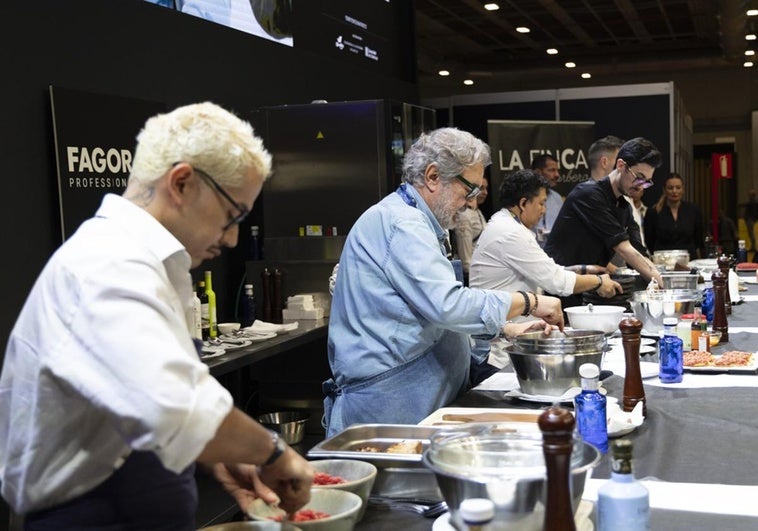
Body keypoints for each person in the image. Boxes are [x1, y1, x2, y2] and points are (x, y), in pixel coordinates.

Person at [0, 102, 314, 529]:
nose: (235, 236)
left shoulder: (154, 265)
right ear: (182, 183)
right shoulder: (108, 265)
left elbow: (132, 410)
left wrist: (212, 452)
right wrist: (274, 452)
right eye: (232, 215)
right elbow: (172, 407)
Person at [323, 128, 565, 437]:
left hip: (419, 402)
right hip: (391, 409)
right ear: (433, 176)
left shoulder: (419, 220)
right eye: (469, 190)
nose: (469, 202)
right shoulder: (402, 224)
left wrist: (507, 328)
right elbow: (447, 306)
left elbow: (422, 312)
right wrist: (529, 301)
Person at [470, 169, 622, 300]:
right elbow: (556, 282)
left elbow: (544, 271)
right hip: (505, 328)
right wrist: (598, 282)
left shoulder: (505, 223)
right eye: (541, 203)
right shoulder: (511, 233)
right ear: (523, 204)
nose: (544, 211)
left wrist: (581, 269)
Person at [544, 137, 664, 288]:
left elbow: (639, 253)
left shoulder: (624, 207)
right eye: (639, 178)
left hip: (588, 288)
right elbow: (624, 249)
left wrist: (662, 281)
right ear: (620, 165)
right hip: (562, 288)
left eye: (646, 182)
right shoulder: (588, 194)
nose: (641, 187)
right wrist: (664, 285)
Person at [644, 172, 705, 259]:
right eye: (670, 188)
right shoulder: (653, 212)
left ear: (683, 189)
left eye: (678, 187)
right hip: (663, 262)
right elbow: (650, 241)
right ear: (664, 190)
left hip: (688, 261)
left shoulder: (693, 210)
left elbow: (698, 240)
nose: (674, 191)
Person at [454, 177, 488, 284]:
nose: (485, 192)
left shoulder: (477, 212)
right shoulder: (465, 216)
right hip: (472, 278)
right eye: (481, 188)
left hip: (481, 272)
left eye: (486, 188)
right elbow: (465, 260)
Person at [531, 154, 563, 246]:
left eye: (557, 170)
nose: (557, 175)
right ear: (537, 172)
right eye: (552, 170)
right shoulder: (525, 198)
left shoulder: (557, 198)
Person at [741, 189, 758, 258]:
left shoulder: (753, 203)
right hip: (750, 219)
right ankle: (753, 246)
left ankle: (753, 246)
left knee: (751, 233)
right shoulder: (753, 202)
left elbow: (754, 212)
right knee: (750, 233)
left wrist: (752, 218)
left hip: (750, 219)